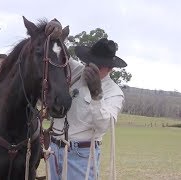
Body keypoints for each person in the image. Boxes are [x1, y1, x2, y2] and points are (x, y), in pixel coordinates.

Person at [45, 24, 127, 179]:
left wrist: (97, 94)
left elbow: (103, 126)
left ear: (110, 69)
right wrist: (56, 34)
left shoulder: (114, 93)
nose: (92, 66)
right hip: (54, 149)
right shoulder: (76, 71)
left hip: (81, 154)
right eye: (90, 61)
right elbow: (57, 54)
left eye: (99, 64)